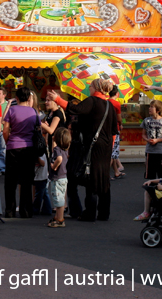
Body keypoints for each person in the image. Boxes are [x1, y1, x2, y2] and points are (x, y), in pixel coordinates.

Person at [48, 78, 118, 221]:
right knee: (103, 178)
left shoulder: (92, 101)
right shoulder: (109, 106)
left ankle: (90, 212)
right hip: (105, 147)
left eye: (91, 85)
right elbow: (114, 131)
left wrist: (58, 99)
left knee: (91, 177)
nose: (89, 87)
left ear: (96, 88)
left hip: (92, 145)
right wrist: (110, 149)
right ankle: (104, 212)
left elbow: (75, 109)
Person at [2, 87, 40, 218]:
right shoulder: (34, 112)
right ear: (29, 98)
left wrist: (8, 142)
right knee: (26, 180)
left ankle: (10, 210)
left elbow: (5, 130)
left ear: (16, 98)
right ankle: (26, 210)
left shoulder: (12, 110)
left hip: (13, 146)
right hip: (28, 147)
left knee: (10, 181)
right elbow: (38, 129)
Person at [47, 127, 70, 228]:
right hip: (63, 177)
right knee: (61, 197)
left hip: (57, 178)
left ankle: (60, 219)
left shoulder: (57, 150)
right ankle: (58, 217)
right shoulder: (64, 149)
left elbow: (58, 158)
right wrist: (53, 142)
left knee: (58, 199)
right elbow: (55, 152)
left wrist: (54, 166)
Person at [141, 100, 162, 180]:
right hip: (150, 151)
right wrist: (147, 139)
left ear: (158, 110)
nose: (149, 108)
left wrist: (158, 140)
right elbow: (143, 134)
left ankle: (161, 190)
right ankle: (150, 190)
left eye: (152, 107)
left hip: (161, 151)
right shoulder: (146, 120)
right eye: (150, 106)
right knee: (150, 175)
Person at [108, 87, 125, 179]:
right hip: (115, 129)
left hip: (107, 129)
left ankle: (116, 171)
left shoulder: (106, 102)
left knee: (113, 153)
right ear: (117, 94)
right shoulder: (116, 103)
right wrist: (121, 123)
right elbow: (119, 118)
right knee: (113, 152)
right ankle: (105, 174)